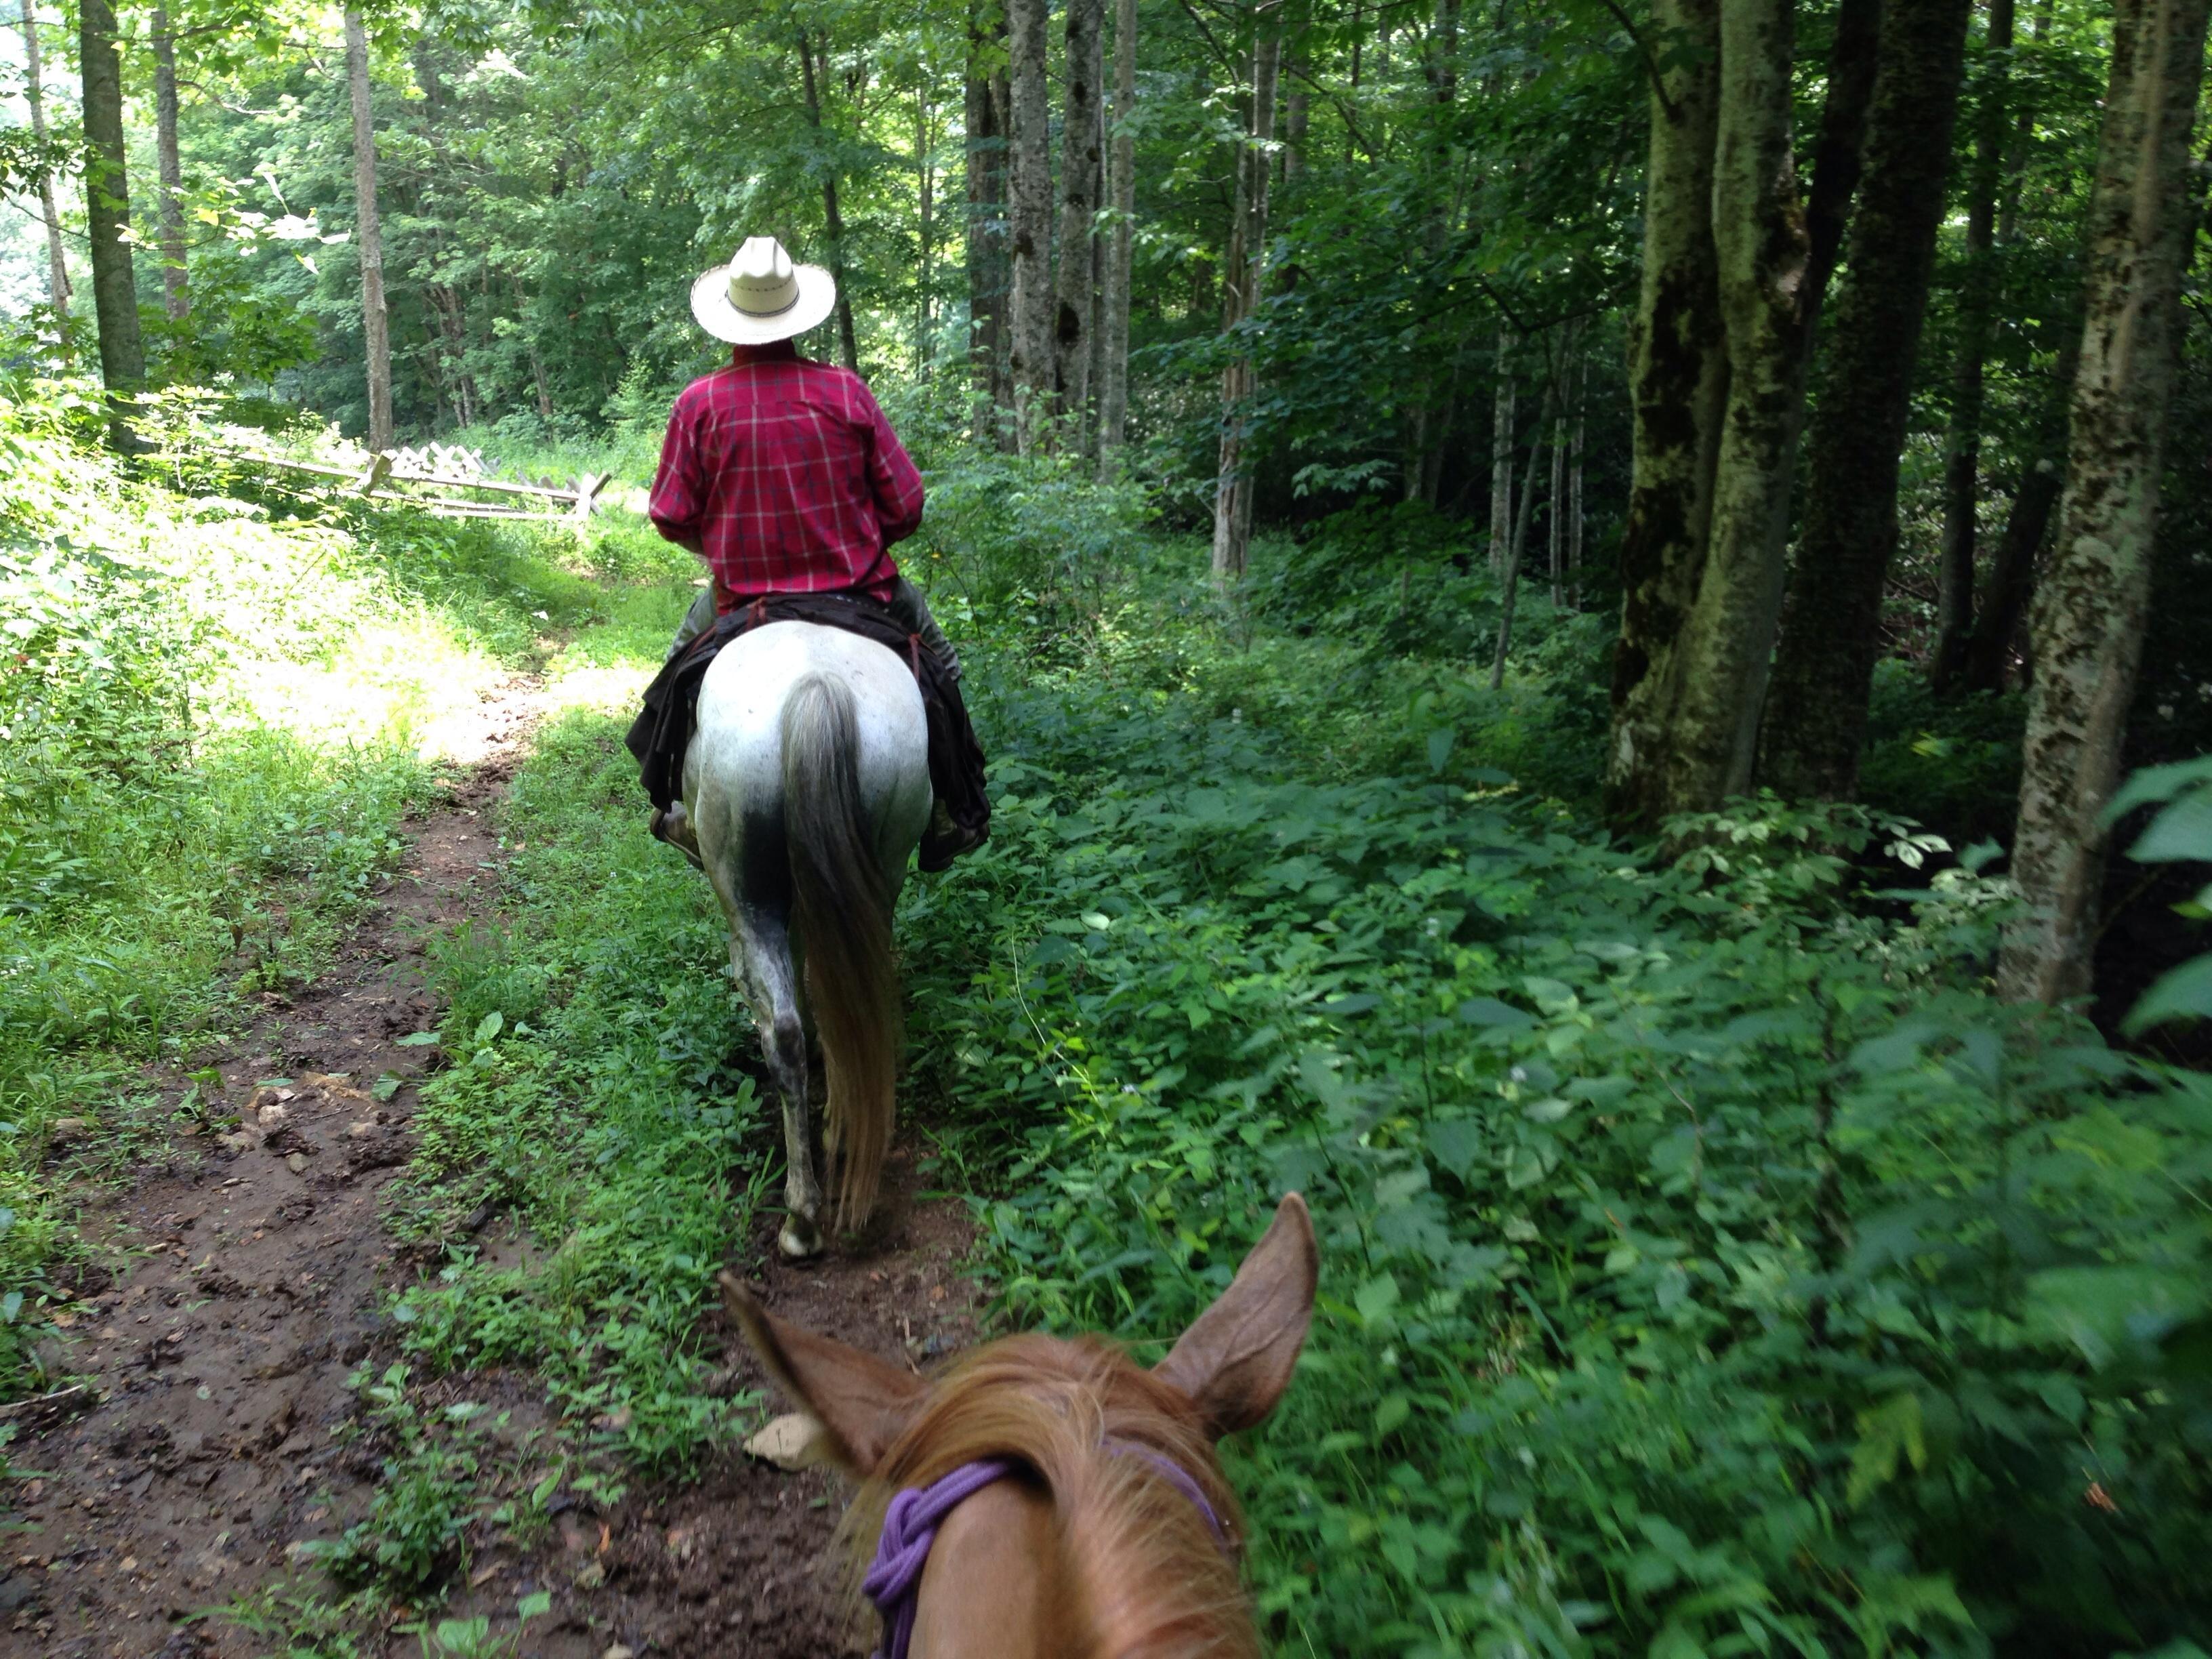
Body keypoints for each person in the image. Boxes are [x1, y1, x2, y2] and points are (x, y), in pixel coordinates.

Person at [642, 234, 971, 863]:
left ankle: (679, 809)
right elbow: (906, 506)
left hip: (743, 598)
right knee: (944, 670)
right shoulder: (845, 392)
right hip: (863, 590)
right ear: (798, 315)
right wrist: (863, 540)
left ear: (730, 317)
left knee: (675, 680)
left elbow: (669, 515)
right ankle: (952, 811)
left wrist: (720, 547)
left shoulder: (699, 404)